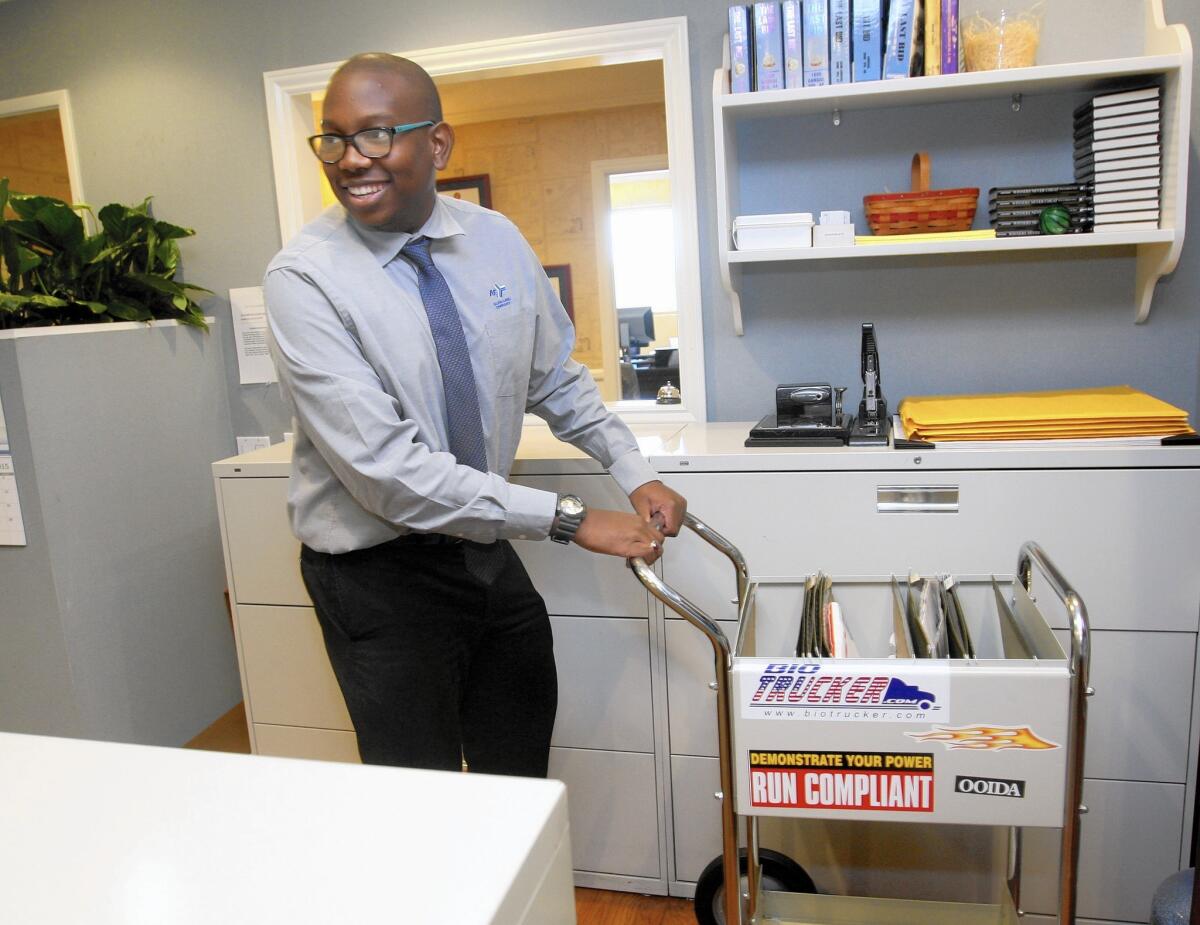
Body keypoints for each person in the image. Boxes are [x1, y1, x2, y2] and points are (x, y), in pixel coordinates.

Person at [264, 52, 687, 778]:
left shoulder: (495, 240)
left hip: (482, 552)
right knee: (420, 794)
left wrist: (634, 470)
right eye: (333, 138)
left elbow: (554, 376)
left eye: (375, 135)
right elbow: (386, 474)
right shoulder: (304, 280)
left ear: (437, 143)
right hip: (377, 573)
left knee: (516, 766)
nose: (348, 159)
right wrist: (571, 517)